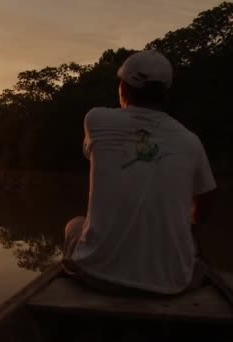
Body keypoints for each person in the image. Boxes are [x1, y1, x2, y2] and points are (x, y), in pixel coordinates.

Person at [62, 50, 216, 295]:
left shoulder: (96, 119)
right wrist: (185, 227)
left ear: (123, 88)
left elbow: (94, 154)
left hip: (97, 277)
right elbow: (205, 203)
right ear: (166, 94)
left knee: (74, 225)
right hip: (170, 285)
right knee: (194, 250)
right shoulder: (190, 141)